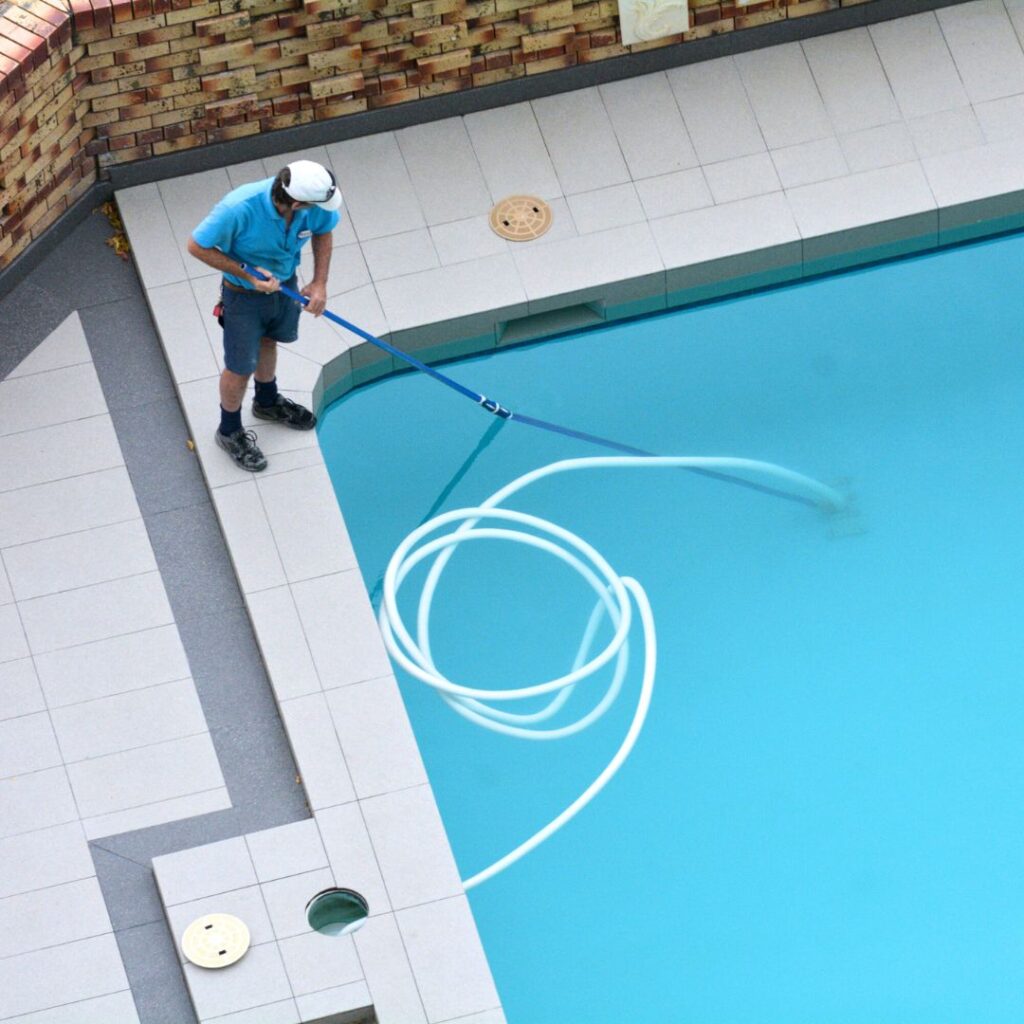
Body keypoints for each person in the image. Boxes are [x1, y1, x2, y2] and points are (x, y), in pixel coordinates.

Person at [187, 160, 343, 471]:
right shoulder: (238, 208)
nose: (320, 210)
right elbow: (196, 246)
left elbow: (324, 231)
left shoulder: (313, 207)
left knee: (269, 341)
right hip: (243, 297)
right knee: (239, 367)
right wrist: (247, 273)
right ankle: (229, 430)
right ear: (296, 203)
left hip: (284, 286)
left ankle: (267, 402)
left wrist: (319, 282)